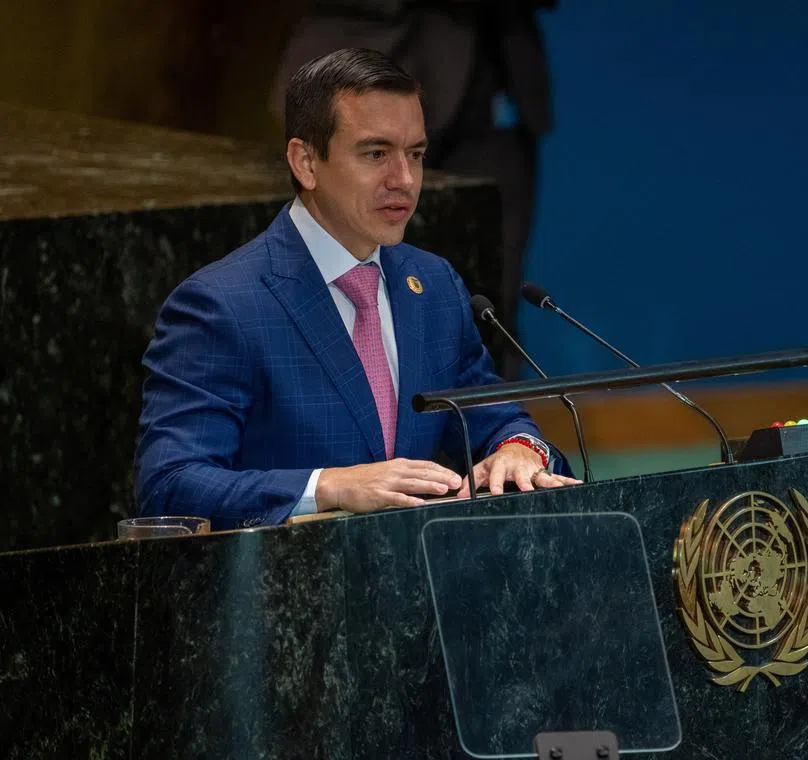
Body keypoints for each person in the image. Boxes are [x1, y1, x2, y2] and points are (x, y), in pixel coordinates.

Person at [134, 48, 577, 531]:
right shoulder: (222, 305)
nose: (404, 180)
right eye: (376, 154)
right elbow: (169, 483)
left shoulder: (433, 286)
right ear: (306, 162)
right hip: (286, 593)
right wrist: (328, 487)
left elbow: (496, 419)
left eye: (415, 155)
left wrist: (516, 449)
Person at [271, 0, 557, 378]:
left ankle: (492, 433)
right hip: (362, 66)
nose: (405, 178)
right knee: (340, 296)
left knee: (490, 310)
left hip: (496, 88)